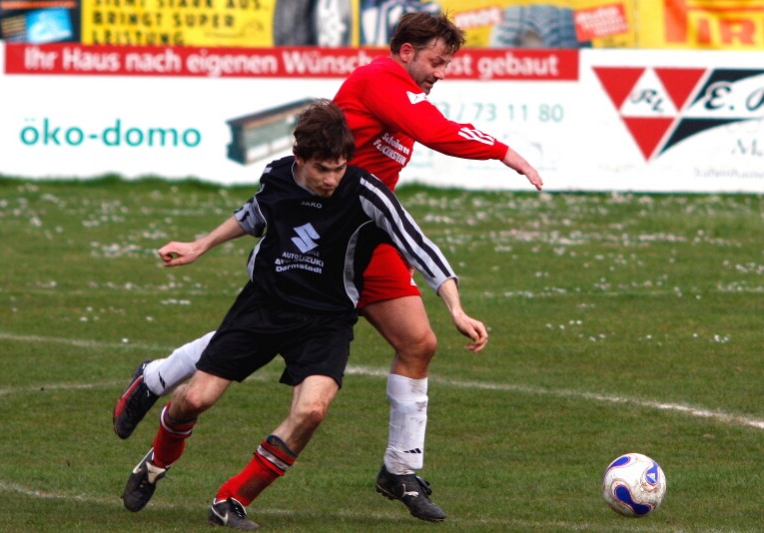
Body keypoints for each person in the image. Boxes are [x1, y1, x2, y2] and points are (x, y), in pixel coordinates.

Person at [114, 11, 542, 521]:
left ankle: (400, 469)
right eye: (436, 61)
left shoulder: (399, 107)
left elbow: (411, 219)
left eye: (447, 64)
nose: (441, 73)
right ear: (406, 52)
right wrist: (505, 153)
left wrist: (454, 303)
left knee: (417, 343)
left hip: (363, 235)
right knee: (266, 324)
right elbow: (435, 131)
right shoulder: (381, 81)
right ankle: (158, 378)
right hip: (319, 238)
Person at [120, 100, 487, 530]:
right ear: (299, 159)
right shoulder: (277, 176)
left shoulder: (366, 192)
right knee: (195, 400)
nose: (331, 179)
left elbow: (419, 245)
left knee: (312, 411)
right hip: (264, 305)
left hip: (326, 320)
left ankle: (231, 499)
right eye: (322, 169)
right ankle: (156, 463)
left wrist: (456, 308)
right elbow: (253, 215)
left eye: (339, 168)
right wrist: (199, 245)